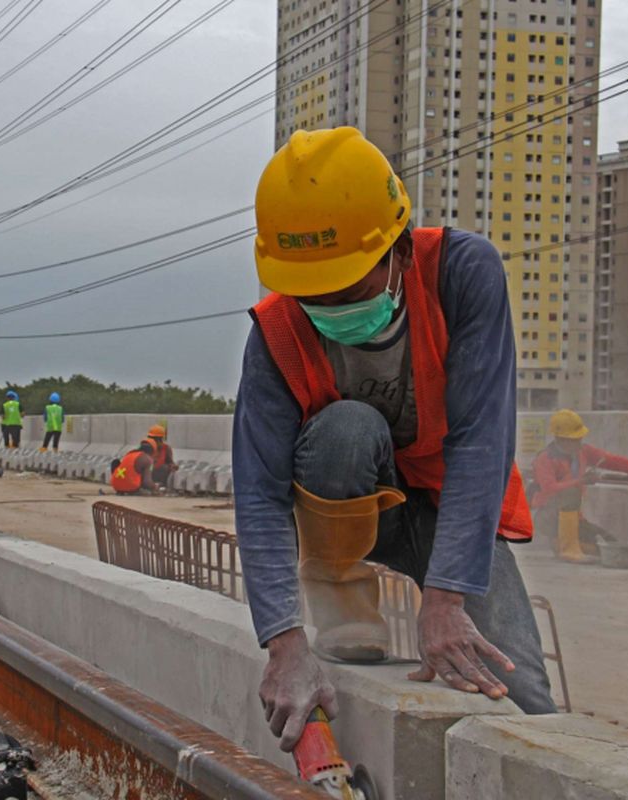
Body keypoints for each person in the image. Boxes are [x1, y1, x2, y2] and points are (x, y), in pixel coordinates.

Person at [233, 126, 554, 753]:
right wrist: (285, 641)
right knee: (348, 430)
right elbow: (260, 493)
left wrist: (445, 596)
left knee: (520, 690)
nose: (326, 307)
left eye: (346, 288)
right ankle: (345, 605)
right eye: (310, 294)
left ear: (400, 253)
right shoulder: (275, 332)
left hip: (447, 509)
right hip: (349, 512)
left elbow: (480, 443)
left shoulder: (462, 275)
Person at [531, 409, 628, 563]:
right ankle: (567, 549)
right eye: (574, 439)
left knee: (608, 543)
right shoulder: (545, 458)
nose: (579, 441)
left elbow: (614, 461)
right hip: (550, 517)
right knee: (570, 492)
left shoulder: (583, 451)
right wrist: (580, 481)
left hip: (575, 518)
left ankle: (560, 544)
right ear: (560, 439)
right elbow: (550, 488)